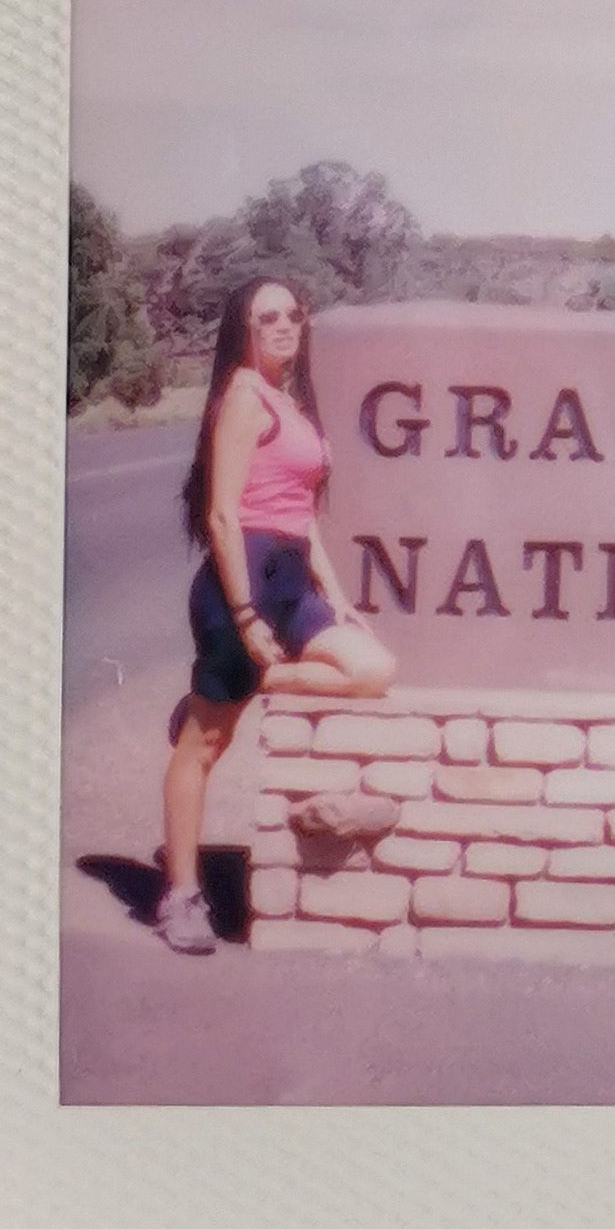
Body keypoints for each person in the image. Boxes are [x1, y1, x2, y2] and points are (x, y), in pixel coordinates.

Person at [156, 276, 395, 954]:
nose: (285, 325)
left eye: (293, 313)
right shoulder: (242, 397)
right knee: (205, 746)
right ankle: (180, 895)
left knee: (372, 668)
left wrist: (337, 596)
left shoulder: (289, 399)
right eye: (268, 318)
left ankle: (250, 683)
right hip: (244, 583)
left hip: (294, 584)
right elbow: (222, 515)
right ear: (244, 328)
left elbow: (303, 513)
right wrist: (244, 615)